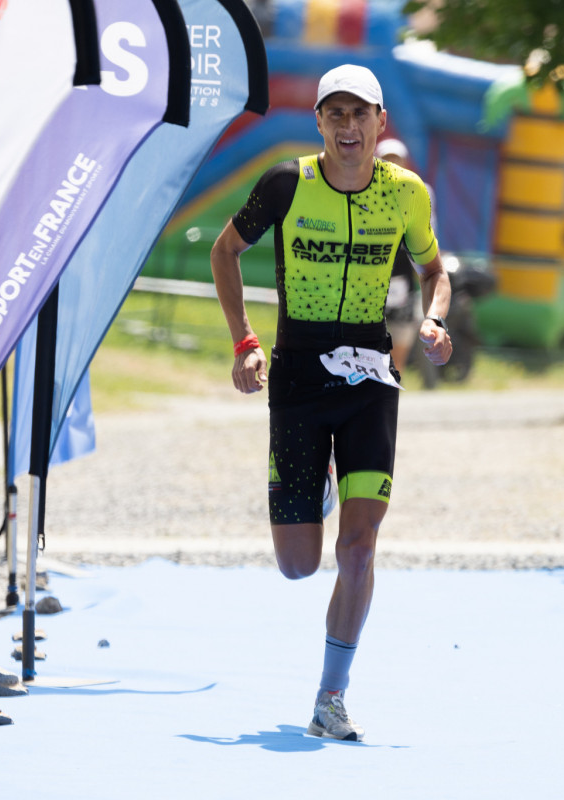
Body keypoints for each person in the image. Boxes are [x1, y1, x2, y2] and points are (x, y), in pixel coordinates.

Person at [208, 64, 452, 742]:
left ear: (380, 122)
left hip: (370, 375)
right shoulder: (287, 183)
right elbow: (225, 252)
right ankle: (315, 484)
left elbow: (434, 270)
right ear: (318, 122)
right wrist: (244, 343)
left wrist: (434, 321)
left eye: (360, 114)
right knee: (297, 565)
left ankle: (331, 697)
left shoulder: (406, 194)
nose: (349, 127)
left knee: (359, 549)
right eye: (335, 114)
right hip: (298, 374)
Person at [374, 138, 434, 376]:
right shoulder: (364, 192)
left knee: (398, 351)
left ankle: (393, 389)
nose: (392, 165)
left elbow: (429, 237)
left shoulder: (418, 192)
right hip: (370, 284)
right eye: (386, 160)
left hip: (403, 283)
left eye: (396, 160)